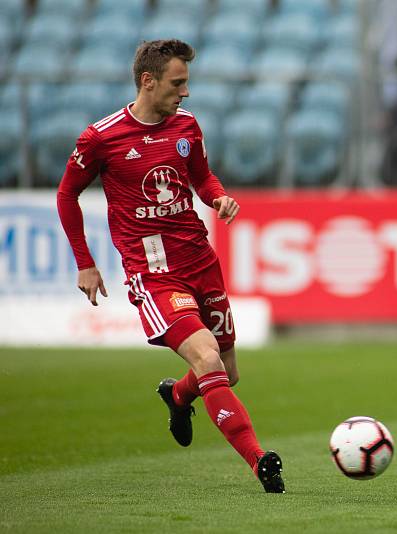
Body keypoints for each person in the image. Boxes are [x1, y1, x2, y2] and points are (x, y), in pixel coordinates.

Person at [56, 39, 285, 493]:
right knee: (206, 356)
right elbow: (67, 195)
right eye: (178, 83)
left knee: (227, 371)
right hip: (154, 271)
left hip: (201, 259)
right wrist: (86, 263)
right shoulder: (100, 137)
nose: (185, 92)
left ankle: (178, 396)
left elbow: (200, 175)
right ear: (148, 80)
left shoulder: (187, 126)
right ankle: (260, 460)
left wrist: (216, 195)